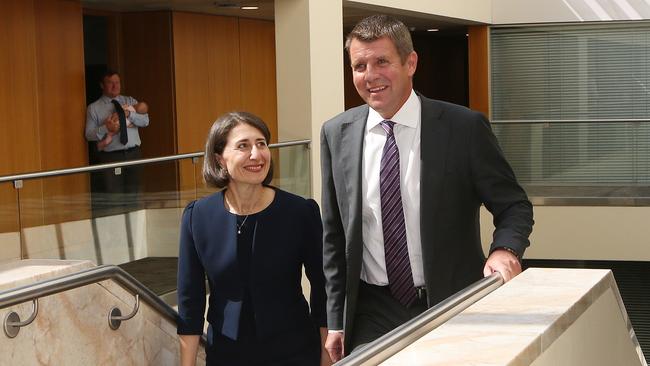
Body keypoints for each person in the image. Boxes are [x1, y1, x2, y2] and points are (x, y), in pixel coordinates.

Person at [320, 15, 534, 361]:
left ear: (411, 63)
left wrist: (504, 249)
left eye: (382, 62)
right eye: (359, 65)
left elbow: (513, 206)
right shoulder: (336, 133)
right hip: (372, 311)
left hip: (454, 303)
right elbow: (333, 237)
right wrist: (336, 320)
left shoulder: (463, 128)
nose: (370, 75)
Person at [176, 111, 330, 366]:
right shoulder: (197, 217)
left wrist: (327, 354)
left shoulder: (300, 212)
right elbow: (189, 301)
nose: (256, 155)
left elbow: (324, 288)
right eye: (243, 146)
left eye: (261, 144)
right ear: (219, 159)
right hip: (226, 356)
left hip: (294, 352)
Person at [85, 70, 149, 214]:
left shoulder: (130, 101)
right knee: (114, 198)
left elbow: (145, 121)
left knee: (134, 195)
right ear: (102, 85)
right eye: (110, 83)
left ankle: (134, 231)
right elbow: (88, 135)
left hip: (133, 154)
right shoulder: (93, 108)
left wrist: (129, 114)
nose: (115, 86)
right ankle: (117, 232)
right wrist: (104, 128)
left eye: (117, 82)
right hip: (111, 157)